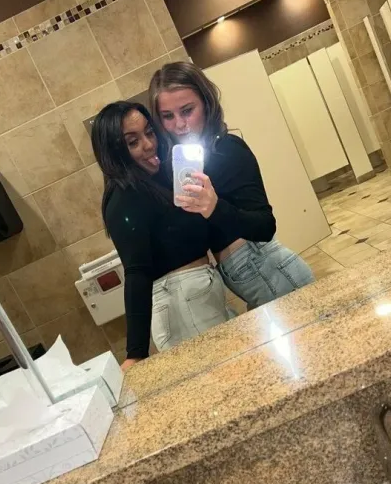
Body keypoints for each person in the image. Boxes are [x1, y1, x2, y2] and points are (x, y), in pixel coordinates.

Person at [149, 62, 314, 310]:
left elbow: (265, 226)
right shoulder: (180, 164)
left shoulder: (229, 149)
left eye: (187, 110)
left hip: (274, 273)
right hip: (256, 279)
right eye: (168, 116)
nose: (180, 124)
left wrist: (215, 208)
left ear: (206, 103)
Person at [91, 101, 230, 370]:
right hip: (184, 306)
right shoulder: (124, 197)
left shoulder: (153, 183)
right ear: (114, 153)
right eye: (133, 142)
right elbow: (137, 271)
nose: (148, 145)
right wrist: (136, 353)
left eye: (149, 132)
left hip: (192, 301)